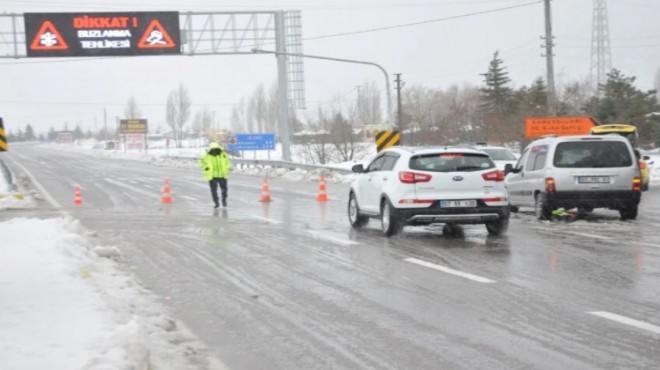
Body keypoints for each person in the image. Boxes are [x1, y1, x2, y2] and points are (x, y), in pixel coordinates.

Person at [198, 142, 231, 208]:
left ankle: (224, 201)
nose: (215, 150)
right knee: (214, 190)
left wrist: (228, 167)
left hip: (222, 175)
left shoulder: (223, 155)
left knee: (224, 189)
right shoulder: (206, 156)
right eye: (213, 149)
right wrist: (205, 167)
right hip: (212, 176)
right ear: (210, 149)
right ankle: (216, 203)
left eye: (216, 149)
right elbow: (200, 162)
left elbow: (228, 162)